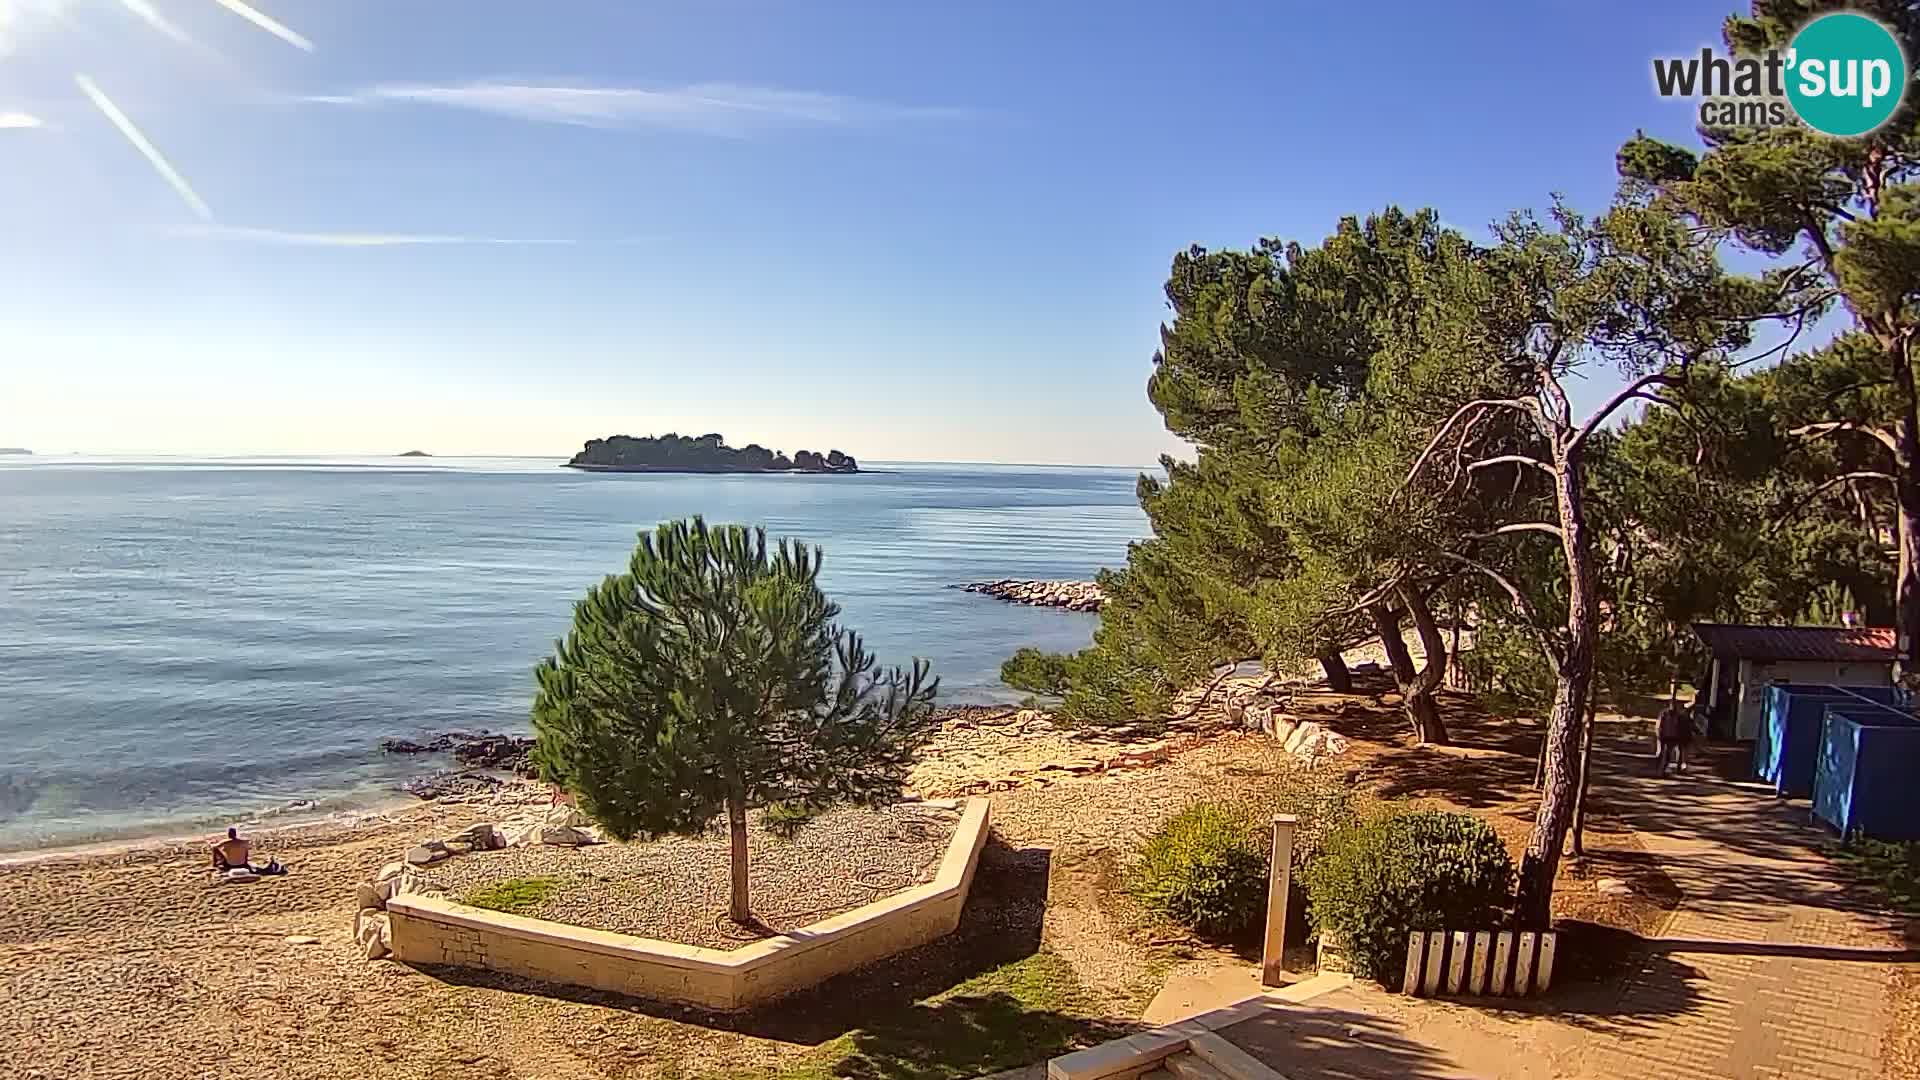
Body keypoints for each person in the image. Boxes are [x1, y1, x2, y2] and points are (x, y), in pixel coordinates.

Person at [211, 827, 285, 875]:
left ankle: (214, 864)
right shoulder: (244, 842)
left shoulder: (226, 842)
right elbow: (246, 852)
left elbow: (214, 847)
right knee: (244, 850)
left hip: (230, 865)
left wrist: (212, 844)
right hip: (243, 863)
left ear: (228, 834)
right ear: (235, 834)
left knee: (215, 849)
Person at [1655, 696, 1692, 775]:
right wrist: (1659, 735)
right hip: (1667, 736)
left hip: (1675, 736)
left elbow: (1682, 726)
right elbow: (1659, 725)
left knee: (1678, 752)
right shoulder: (1664, 713)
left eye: (1675, 705)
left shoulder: (1679, 715)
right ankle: (1662, 770)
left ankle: (1676, 768)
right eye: (1673, 705)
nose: (1674, 707)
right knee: (1667, 753)